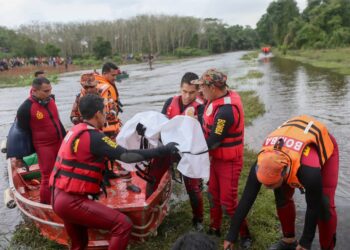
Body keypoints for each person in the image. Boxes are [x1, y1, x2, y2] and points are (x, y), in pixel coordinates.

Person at [49, 94, 178, 250]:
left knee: (79, 245)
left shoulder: (75, 130)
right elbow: (126, 156)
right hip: (72, 202)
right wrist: (162, 150)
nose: (106, 115)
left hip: (57, 197)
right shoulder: (95, 137)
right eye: (104, 111)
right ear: (98, 114)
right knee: (122, 225)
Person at [224, 115, 339, 250]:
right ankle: (288, 240)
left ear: (284, 173)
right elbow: (247, 199)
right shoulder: (260, 163)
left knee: (324, 205)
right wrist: (231, 235)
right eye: (265, 184)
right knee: (281, 195)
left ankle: (327, 247)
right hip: (287, 144)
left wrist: (306, 242)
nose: (267, 188)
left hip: (322, 143)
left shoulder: (309, 172)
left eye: (271, 184)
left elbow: (313, 206)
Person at [192, 69, 251, 248]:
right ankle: (215, 227)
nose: (200, 90)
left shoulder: (226, 111)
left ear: (213, 88)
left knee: (229, 203)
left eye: (202, 86)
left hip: (229, 163)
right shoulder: (214, 98)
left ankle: (245, 234)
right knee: (212, 195)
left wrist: (188, 150)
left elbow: (213, 142)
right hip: (216, 160)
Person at [162, 72, 205, 231]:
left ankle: (198, 219)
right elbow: (161, 124)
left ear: (198, 91)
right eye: (184, 91)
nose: (187, 96)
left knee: (193, 189)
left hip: (189, 153)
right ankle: (155, 209)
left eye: (192, 92)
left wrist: (196, 123)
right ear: (180, 89)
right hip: (170, 149)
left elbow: (204, 135)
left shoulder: (201, 108)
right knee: (155, 174)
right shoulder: (169, 102)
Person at [16, 77, 66, 204]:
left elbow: (57, 121)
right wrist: (19, 156)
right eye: (45, 91)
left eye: (50, 90)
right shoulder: (25, 108)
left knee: (65, 170)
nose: (49, 94)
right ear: (34, 90)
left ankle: (63, 198)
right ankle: (46, 204)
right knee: (48, 176)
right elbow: (21, 134)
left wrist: (66, 139)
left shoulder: (51, 100)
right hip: (44, 146)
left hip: (60, 142)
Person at [95, 62, 122, 138]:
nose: (115, 78)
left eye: (116, 75)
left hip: (105, 129)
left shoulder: (99, 84)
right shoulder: (104, 88)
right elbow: (104, 111)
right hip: (107, 131)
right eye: (113, 75)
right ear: (104, 73)